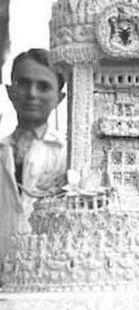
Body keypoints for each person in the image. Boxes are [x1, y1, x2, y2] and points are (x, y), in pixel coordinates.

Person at [0, 48, 66, 267]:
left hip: (45, 268)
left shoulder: (66, 155)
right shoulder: (3, 148)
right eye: (23, 83)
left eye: (44, 87)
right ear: (10, 91)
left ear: (59, 97)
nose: (32, 94)